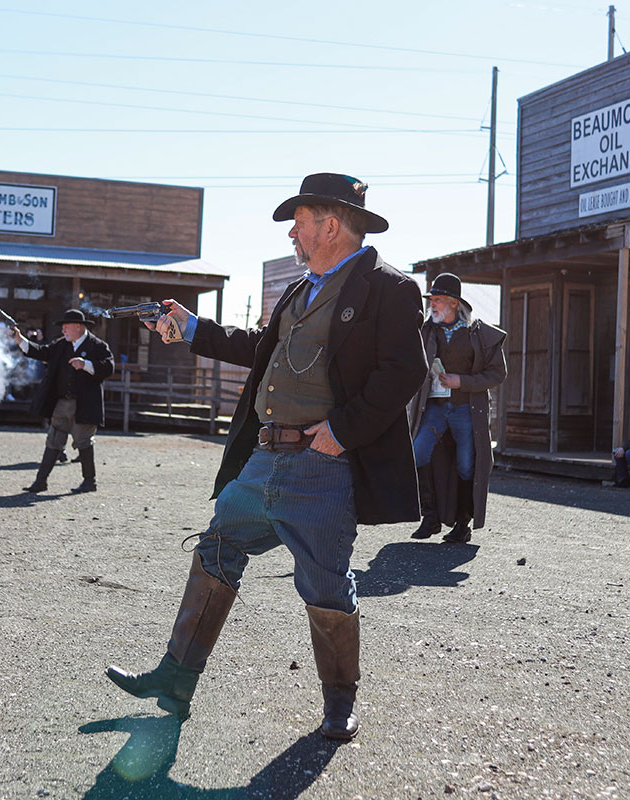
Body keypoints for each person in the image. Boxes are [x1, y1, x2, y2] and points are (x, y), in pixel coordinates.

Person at [104, 173, 427, 740]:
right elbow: (261, 350)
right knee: (219, 545)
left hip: (323, 464)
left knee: (326, 585)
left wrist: (342, 432)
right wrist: (193, 328)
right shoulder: (302, 288)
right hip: (264, 458)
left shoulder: (390, 288)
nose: (292, 235)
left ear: (330, 224)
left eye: (299, 223)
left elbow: (404, 372)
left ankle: (339, 704)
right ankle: (177, 680)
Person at [407, 273, 507, 543]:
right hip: (435, 408)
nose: (433, 305)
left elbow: (497, 374)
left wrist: (461, 381)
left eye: (438, 300)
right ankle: (430, 519)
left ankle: (462, 525)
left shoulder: (479, 334)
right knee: (417, 454)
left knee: (466, 465)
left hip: (466, 409)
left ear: (453, 302)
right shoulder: (427, 331)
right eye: (432, 300)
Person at [10, 308, 114, 494]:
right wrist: (19, 339)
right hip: (62, 403)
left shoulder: (97, 346)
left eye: (66, 327)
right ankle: (41, 482)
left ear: (78, 327)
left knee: (84, 442)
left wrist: (86, 365)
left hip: (86, 404)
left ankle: (90, 482)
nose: (63, 330)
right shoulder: (61, 345)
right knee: (53, 442)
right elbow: (41, 352)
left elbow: (109, 367)